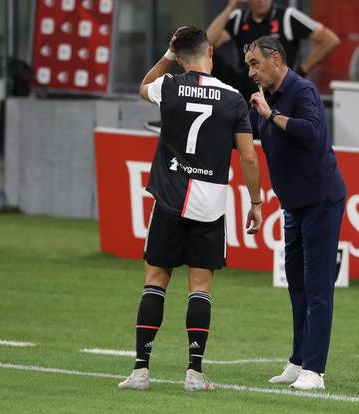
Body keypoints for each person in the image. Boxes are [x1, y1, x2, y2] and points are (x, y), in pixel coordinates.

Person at [119, 26, 264, 391]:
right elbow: (248, 155)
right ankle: (194, 373)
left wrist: (167, 56)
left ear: (180, 59)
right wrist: (256, 202)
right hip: (209, 203)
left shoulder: (168, 85)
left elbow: (142, 86)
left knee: (155, 282)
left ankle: (140, 372)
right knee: (200, 287)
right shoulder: (233, 98)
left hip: (169, 196)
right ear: (211, 53)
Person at [244, 36, 347, 390]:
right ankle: (298, 360)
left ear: (276, 60)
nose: (251, 72)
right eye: (248, 66)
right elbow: (243, 138)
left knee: (318, 287)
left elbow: (313, 133)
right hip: (293, 204)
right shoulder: (263, 99)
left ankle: (314, 371)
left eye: (255, 64)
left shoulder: (302, 91)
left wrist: (271, 115)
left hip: (321, 200)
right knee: (297, 287)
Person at [207, 0, 339, 101]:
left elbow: (330, 40)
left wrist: (301, 70)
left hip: (277, 86)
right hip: (246, 83)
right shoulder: (239, 17)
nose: (261, 0)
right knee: (211, 55)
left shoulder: (288, 16)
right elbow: (209, 42)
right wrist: (231, 6)